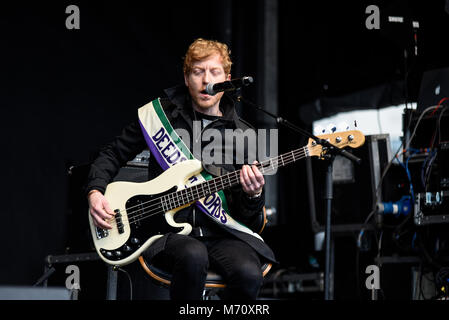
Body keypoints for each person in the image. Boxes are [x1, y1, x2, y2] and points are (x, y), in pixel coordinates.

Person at [86, 38, 276, 300]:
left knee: (248, 273)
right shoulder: (161, 116)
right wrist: (95, 192)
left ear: (228, 79)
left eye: (214, 72)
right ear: (187, 78)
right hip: (163, 233)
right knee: (193, 256)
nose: (206, 80)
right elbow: (111, 154)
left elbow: (249, 221)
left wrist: (253, 195)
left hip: (221, 233)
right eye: (198, 72)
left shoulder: (243, 134)